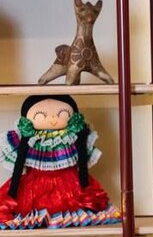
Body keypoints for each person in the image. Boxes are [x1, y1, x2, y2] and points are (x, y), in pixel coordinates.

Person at [0, 94, 121, 229]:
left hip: (70, 184)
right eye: (40, 115)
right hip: (34, 185)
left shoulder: (72, 137)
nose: (52, 119)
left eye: (62, 113)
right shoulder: (28, 139)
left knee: (76, 210)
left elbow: (82, 162)